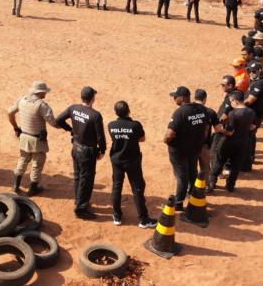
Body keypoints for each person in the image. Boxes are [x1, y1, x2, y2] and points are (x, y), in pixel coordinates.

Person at [55, 86, 106, 219]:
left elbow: (58, 120)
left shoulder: (73, 108)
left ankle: (78, 200)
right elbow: (100, 136)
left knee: (78, 176)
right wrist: (102, 150)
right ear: (92, 98)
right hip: (87, 152)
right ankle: (81, 209)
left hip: (76, 148)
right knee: (87, 179)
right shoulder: (95, 115)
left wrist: (71, 130)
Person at [106, 100, 157, 228]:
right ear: (128, 110)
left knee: (117, 187)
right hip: (132, 161)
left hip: (117, 160)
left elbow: (115, 138)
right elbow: (142, 139)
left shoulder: (111, 125)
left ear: (116, 112)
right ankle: (143, 219)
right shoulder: (135, 125)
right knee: (137, 188)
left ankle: (117, 216)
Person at [8, 81, 60, 196]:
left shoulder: (22, 100)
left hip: (24, 137)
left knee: (23, 160)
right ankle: (33, 189)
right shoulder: (41, 105)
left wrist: (16, 128)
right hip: (37, 141)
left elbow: (10, 112)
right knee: (37, 163)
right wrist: (64, 126)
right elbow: (53, 123)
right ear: (40, 92)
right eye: (45, 92)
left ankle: (16, 186)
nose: (46, 94)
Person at [164, 86, 209, 211]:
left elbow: (169, 134)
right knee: (192, 172)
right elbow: (206, 129)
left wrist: (167, 142)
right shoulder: (202, 109)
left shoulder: (180, 113)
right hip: (195, 149)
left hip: (179, 151)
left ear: (182, 98)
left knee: (181, 177)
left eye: (175, 97)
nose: (174, 99)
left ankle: (178, 203)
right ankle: (193, 197)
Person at [208, 91, 256, 192]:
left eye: (231, 102)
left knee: (219, 162)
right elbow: (252, 126)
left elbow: (229, 132)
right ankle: (230, 186)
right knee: (236, 165)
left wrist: (221, 130)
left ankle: (211, 183)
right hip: (243, 142)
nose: (230, 104)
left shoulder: (233, 114)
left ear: (235, 101)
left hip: (229, 143)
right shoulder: (251, 112)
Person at [242, 60, 263, 171]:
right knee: (250, 136)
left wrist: (236, 106)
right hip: (251, 114)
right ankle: (249, 159)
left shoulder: (261, 83)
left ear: (260, 71)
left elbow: (250, 100)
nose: (251, 73)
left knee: (249, 136)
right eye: (249, 71)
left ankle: (247, 164)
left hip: (255, 115)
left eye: (254, 71)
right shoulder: (255, 81)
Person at [193, 88, 222, 177]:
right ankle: (206, 186)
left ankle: (191, 187)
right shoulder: (210, 112)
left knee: (191, 167)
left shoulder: (187, 111)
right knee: (205, 167)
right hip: (205, 145)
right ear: (205, 99)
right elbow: (218, 129)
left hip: (190, 145)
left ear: (194, 98)